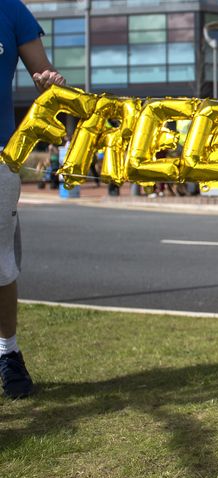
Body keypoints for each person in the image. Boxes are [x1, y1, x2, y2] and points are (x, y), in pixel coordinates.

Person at [0, 0, 65, 399]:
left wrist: (51, 84)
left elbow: (45, 75)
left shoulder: (10, 9)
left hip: (0, 156)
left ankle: (8, 353)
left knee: (1, 265)